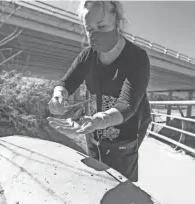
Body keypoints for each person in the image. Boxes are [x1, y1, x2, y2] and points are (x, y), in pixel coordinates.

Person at [47, 0, 151, 182]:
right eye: (89, 29)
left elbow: (127, 105)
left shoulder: (137, 58)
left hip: (123, 144)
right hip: (93, 137)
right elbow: (66, 82)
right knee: (96, 183)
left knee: (123, 191)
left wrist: (100, 120)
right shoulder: (88, 55)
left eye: (101, 26)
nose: (95, 35)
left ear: (116, 20)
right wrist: (58, 96)